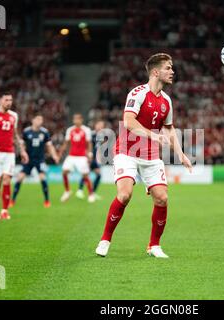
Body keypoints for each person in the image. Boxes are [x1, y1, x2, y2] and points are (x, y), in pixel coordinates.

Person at [95, 53, 192, 258]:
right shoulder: (137, 93)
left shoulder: (166, 101)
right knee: (124, 194)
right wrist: (152, 136)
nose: (172, 71)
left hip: (151, 155)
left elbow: (169, 129)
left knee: (162, 198)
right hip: (126, 152)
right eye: (168, 68)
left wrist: (181, 154)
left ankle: (154, 246)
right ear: (156, 72)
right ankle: (105, 240)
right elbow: (129, 122)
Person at [0, 92, 29, 220]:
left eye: (11, 100)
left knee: (7, 179)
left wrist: (22, 150)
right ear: (0, 101)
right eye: (7, 100)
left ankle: (5, 211)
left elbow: (15, 135)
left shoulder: (14, 116)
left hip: (9, 152)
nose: (9, 102)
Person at [10, 115, 60, 208]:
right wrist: (23, 153)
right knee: (20, 178)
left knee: (42, 178)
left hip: (40, 160)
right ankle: (12, 200)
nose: (40, 121)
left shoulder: (44, 132)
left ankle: (47, 201)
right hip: (28, 159)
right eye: (37, 119)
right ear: (33, 120)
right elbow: (22, 145)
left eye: (41, 119)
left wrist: (54, 156)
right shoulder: (26, 131)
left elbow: (49, 146)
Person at [59, 113, 96, 203]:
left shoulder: (86, 130)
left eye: (78, 119)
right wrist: (60, 153)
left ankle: (91, 194)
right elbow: (66, 143)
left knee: (85, 175)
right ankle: (67, 191)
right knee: (64, 172)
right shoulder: (70, 130)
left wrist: (90, 154)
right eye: (74, 119)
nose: (76, 121)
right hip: (71, 156)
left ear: (81, 120)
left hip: (82, 156)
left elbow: (89, 143)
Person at [77, 120, 105, 200]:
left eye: (102, 126)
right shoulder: (90, 134)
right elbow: (85, 145)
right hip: (88, 157)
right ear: (95, 126)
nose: (100, 127)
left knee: (98, 175)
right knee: (86, 173)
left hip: (95, 159)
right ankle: (80, 190)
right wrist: (87, 155)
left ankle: (92, 192)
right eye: (99, 125)